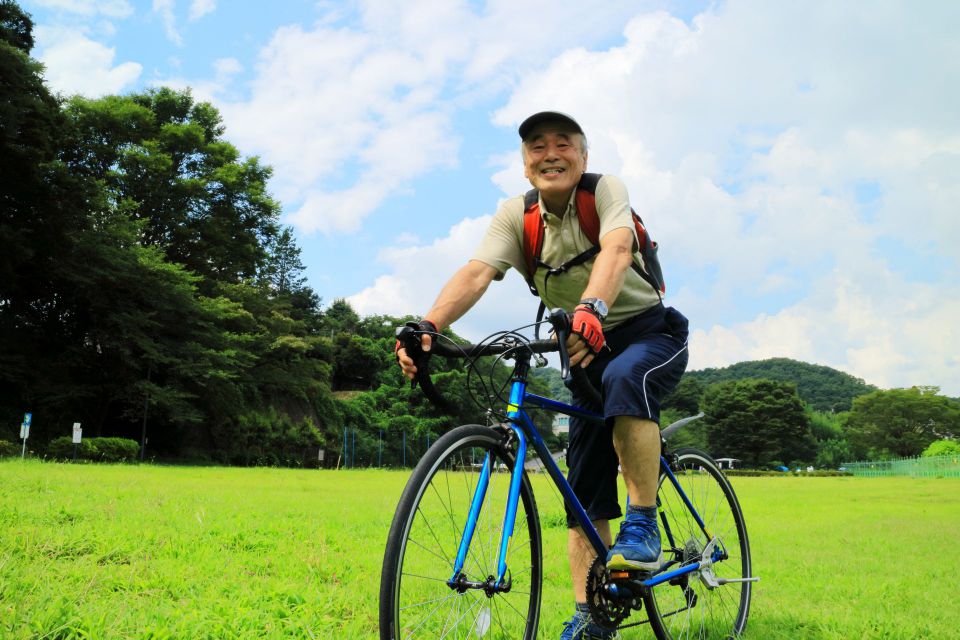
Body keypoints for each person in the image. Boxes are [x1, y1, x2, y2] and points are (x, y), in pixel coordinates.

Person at [396, 111, 689, 640]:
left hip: (646, 332)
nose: (550, 153)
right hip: (579, 349)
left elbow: (619, 249)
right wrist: (430, 324)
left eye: (563, 143)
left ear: (584, 155)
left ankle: (643, 521)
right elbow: (477, 272)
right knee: (583, 493)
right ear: (525, 163)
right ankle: (592, 614)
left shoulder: (605, 191)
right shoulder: (517, 215)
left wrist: (592, 308)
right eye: (536, 146)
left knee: (625, 378)